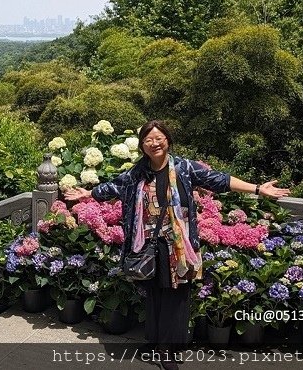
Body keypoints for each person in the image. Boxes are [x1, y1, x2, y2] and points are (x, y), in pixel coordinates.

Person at [64, 120, 289, 370]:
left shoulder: (184, 167)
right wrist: (88, 194)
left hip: (178, 245)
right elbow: (113, 187)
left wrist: (257, 189)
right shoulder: (137, 172)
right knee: (154, 294)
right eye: (148, 140)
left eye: (159, 138)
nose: (154, 143)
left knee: (176, 295)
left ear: (168, 141)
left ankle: (168, 349)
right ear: (142, 146)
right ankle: (156, 341)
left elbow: (219, 180)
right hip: (147, 244)